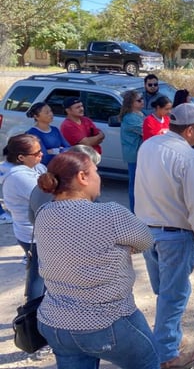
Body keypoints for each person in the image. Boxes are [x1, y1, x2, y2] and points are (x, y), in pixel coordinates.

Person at [34, 151, 159, 369]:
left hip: (54, 323)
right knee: (148, 362)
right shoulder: (111, 214)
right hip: (107, 321)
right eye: (96, 171)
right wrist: (121, 249)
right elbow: (146, 241)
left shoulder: (44, 212)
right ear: (83, 177)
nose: (98, 177)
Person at [134, 103, 194, 368]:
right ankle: (167, 354)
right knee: (173, 294)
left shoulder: (149, 146)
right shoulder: (189, 157)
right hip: (176, 234)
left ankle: (169, 338)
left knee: (164, 290)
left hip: (147, 229)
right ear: (191, 130)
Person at [1, 134, 47, 301]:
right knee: (40, 276)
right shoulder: (18, 177)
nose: (41, 155)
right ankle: (32, 314)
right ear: (21, 157)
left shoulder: (33, 168)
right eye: (36, 153)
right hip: (32, 234)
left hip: (33, 231)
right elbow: (48, 197)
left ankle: (34, 308)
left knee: (37, 272)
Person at [120, 90, 145, 212]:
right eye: (139, 100)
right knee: (135, 185)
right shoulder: (130, 117)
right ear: (131, 103)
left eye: (142, 99)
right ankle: (134, 211)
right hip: (134, 154)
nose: (142, 102)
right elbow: (146, 131)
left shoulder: (139, 114)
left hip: (140, 153)